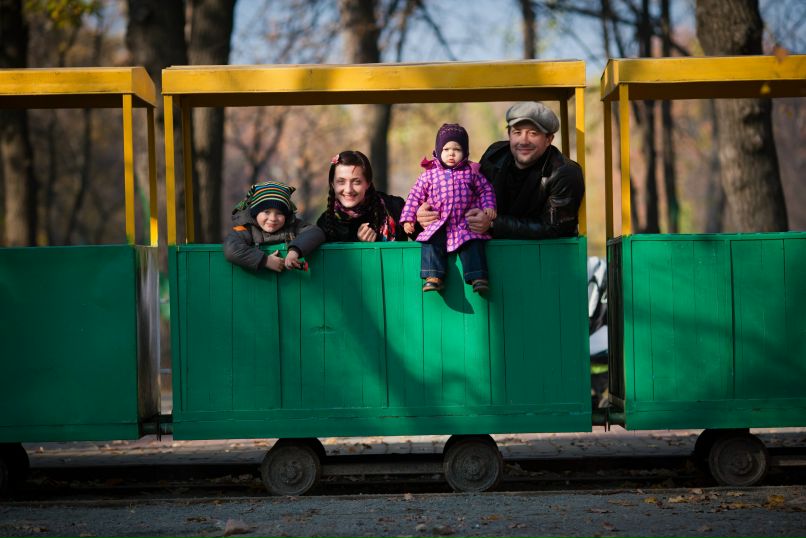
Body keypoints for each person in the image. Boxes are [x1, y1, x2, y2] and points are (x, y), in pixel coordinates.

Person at [416, 102, 584, 240]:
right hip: (485, 256)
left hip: (544, 261)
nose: (524, 140)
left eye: (533, 133)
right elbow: (466, 193)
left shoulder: (564, 172)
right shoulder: (494, 155)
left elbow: (554, 228)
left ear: (548, 139)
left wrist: (493, 224)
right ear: (509, 135)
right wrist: (426, 212)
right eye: (517, 132)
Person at [399, 123, 496, 294]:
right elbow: (414, 197)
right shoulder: (429, 175)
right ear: (437, 151)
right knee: (430, 242)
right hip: (439, 223)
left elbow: (485, 190)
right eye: (446, 149)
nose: (451, 153)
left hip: (464, 223)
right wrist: (408, 218)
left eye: (457, 149)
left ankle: (478, 276)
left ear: (465, 153)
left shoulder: (471, 173)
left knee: (473, 243)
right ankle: (433, 276)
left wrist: (488, 206)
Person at [224, 180, 325, 272]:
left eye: (279, 213)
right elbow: (231, 248)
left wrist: (294, 252)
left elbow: (315, 232)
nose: (273, 218)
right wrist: (265, 260)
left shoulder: (292, 226)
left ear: (286, 215)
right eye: (266, 212)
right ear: (255, 213)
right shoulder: (246, 228)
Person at [317, 150, 411, 243]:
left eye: (356, 182)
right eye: (341, 182)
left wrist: (419, 216)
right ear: (332, 184)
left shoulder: (395, 207)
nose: (348, 190)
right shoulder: (325, 224)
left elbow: (420, 239)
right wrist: (359, 244)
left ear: (368, 183)